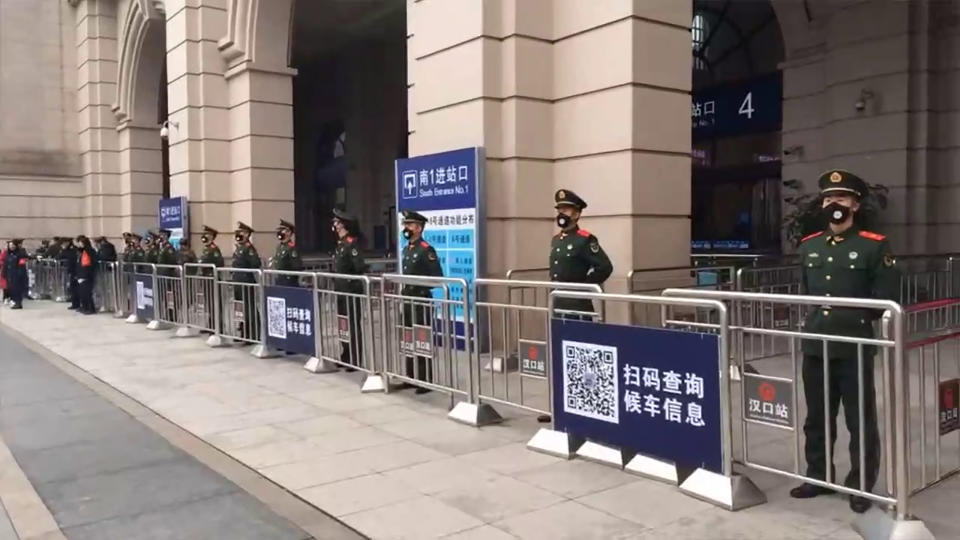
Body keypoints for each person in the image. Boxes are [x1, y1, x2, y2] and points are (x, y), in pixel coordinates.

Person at [789, 169, 899, 514]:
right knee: (817, 417)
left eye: (839, 198)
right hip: (816, 344)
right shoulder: (810, 245)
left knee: (859, 418)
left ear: (854, 203)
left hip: (853, 344)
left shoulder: (872, 245)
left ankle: (860, 485)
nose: (831, 204)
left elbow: (886, 298)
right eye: (827, 198)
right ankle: (818, 477)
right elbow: (807, 294)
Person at [549, 189, 613, 318]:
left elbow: (605, 267)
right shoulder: (556, 240)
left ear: (576, 214)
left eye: (565, 210)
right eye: (559, 210)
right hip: (558, 301)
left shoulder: (584, 240)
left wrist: (584, 287)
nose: (561, 214)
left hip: (577, 304)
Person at [399, 210, 444, 394]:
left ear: (418, 228)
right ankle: (411, 376)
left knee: (421, 337)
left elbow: (437, 277)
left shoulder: (426, 249)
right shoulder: (407, 249)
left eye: (409, 225)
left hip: (420, 299)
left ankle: (425, 379)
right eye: (405, 225)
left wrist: (420, 285)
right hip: (407, 299)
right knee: (408, 337)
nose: (406, 228)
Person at [332, 209, 368, 371]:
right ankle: (345, 355)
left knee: (352, 325)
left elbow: (359, 266)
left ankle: (354, 358)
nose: (334, 225)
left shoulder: (351, 243)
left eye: (337, 222)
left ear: (343, 225)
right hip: (340, 290)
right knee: (343, 324)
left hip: (351, 290)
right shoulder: (340, 244)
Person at [231, 222, 261, 341]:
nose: (239, 234)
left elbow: (256, 264)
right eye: (239, 232)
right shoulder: (240, 248)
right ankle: (243, 332)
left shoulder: (249, 249)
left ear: (247, 234)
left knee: (249, 308)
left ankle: (253, 334)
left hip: (246, 281)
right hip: (238, 282)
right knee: (240, 308)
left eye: (242, 232)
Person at [272, 219, 303, 287]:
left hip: (288, 281)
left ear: (288, 232)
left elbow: (297, 266)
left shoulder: (291, 248)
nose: (279, 232)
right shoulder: (279, 246)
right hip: (279, 279)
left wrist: (290, 278)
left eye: (282, 230)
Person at [75, 235, 98, 314]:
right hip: (82, 274)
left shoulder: (89, 251)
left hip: (87, 274)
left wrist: (84, 275)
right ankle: (84, 307)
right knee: (82, 292)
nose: (79, 244)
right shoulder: (82, 251)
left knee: (87, 293)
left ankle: (90, 308)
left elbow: (88, 264)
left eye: (80, 243)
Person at [59, 237, 78, 309]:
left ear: (67, 243)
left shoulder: (72, 250)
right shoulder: (68, 250)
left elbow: (60, 256)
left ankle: (76, 304)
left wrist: (63, 250)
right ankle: (75, 303)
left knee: (74, 288)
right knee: (72, 288)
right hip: (71, 270)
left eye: (63, 243)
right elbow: (59, 257)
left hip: (74, 270)